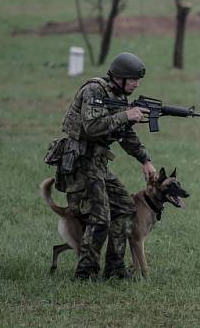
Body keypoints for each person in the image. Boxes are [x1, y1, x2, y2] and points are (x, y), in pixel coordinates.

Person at [56, 52, 157, 281]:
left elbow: (125, 135)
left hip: (98, 162)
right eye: (133, 79)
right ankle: (85, 273)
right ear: (120, 77)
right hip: (80, 161)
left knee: (124, 207)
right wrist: (125, 115)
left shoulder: (118, 97)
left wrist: (145, 160)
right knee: (100, 217)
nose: (136, 83)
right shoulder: (94, 90)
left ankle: (115, 269)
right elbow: (91, 127)